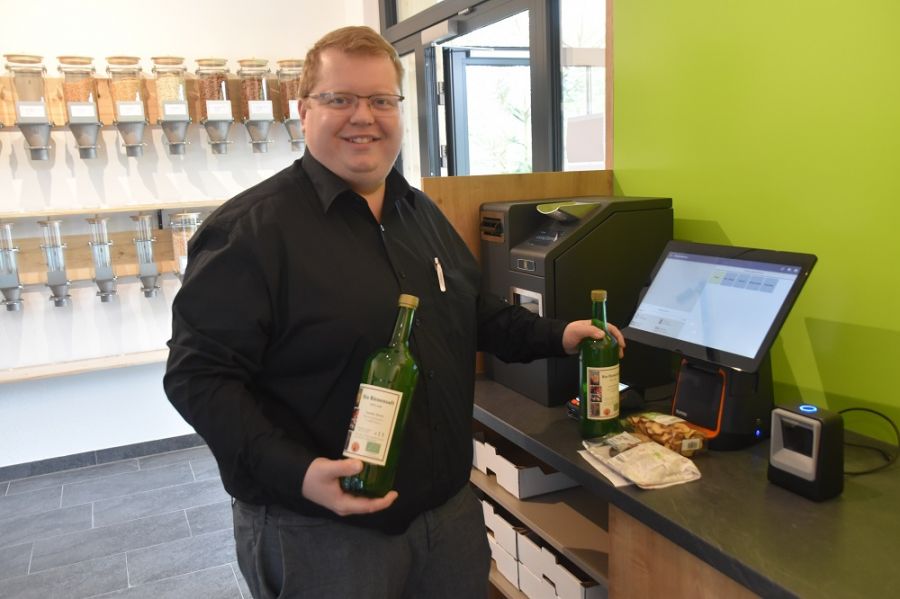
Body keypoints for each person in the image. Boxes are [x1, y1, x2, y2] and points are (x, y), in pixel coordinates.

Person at [164, 25, 625, 599]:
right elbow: (198, 377)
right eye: (340, 99)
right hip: (320, 533)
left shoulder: (419, 213)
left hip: (446, 518)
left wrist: (559, 335)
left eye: (382, 100)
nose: (364, 117)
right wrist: (298, 473)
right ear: (304, 111)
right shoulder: (249, 233)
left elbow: (469, 312)